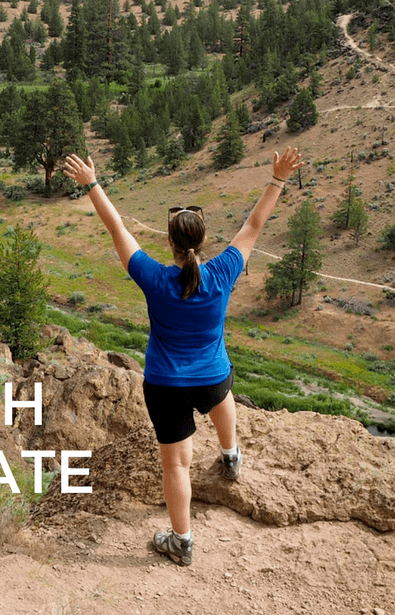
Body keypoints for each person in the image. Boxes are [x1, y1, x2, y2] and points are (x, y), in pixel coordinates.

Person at [64, 145, 304, 567]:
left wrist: (92, 184)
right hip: (212, 377)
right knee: (222, 394)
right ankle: (231, 457)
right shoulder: (224, 270)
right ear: (203, 240)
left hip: (165, 384)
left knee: (177, 465)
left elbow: (116, 227)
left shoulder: (154, 278)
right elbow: (254, 223)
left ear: (171, 243)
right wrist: (278, 179)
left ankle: (182, 541)